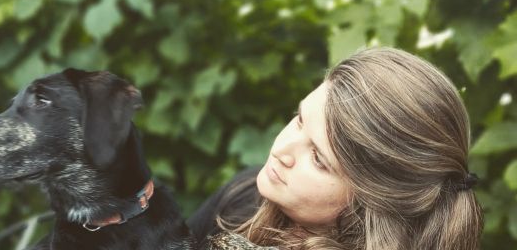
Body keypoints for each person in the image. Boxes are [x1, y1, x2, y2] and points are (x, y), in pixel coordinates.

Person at [188, 47, 483, 250]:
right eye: (299, 119)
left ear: (375, 198)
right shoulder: (244, 195)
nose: (282, 151)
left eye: (318, 159)